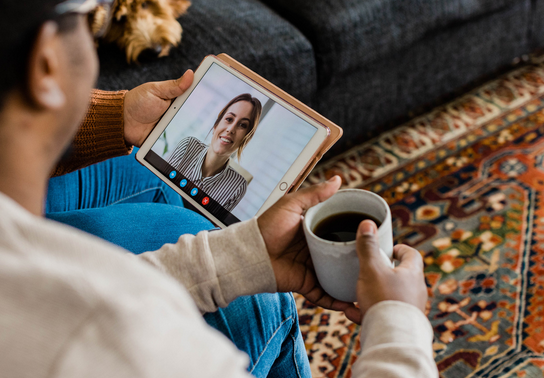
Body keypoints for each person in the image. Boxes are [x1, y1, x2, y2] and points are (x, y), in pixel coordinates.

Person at [0, 1, 439, 377]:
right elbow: (111, 309)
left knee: (148, 175)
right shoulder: (120, 340)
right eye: (91, 20)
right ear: (47, 64)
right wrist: (399, 322)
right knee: (259, 305)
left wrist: (246, 255)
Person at [167, 94, 262, 211]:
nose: (231, 129)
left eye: (242, 125)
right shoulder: (188, 146)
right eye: (229, 119)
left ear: (246, 139)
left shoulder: (237, 187)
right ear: (216, 124)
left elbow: (211, 228)